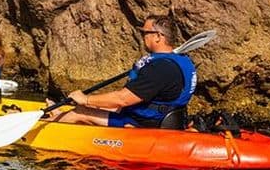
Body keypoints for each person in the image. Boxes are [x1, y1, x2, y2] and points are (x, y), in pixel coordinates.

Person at [44, 15, 197, 127]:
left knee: (79, 111)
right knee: (93, 107)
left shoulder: (160, 68)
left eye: (145, 33)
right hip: (161, 117)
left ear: (158, 36)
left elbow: (122, 99)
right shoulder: (182, 60)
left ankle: (41, 129)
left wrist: (86, 99)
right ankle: (56, 117)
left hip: (144, 123)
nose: (143, 37)